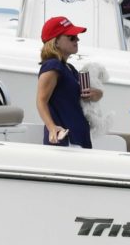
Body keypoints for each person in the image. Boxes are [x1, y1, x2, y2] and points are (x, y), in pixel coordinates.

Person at [36, 16, 101, 148]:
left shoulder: (69, 68)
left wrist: (96, 94)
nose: (77, 39)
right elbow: (41, 101)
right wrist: (52, 127)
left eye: (76, 36)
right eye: (71, 37)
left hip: (77, 138)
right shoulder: (52, 66)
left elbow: (89, 96)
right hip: (65, 141)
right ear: (56, 42)